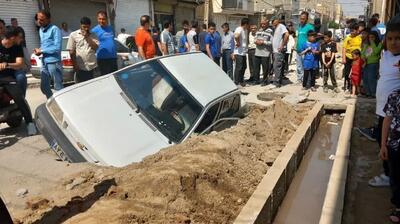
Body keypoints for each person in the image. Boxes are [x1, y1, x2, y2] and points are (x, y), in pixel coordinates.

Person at [369, 16, 400, 190]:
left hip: (394, 114)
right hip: (382, 110)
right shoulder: (385, 54)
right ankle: (389, 173)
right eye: (390, 39)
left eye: (398, 39)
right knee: (380, 139)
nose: (394, 42)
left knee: (390, 146)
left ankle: (390, 176)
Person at [0, 26, 36, 135]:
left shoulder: (17, 47)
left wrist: (7, 64)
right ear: (12, 37)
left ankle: (30, 123)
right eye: (19, 37)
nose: (21, 39)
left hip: (7, 77)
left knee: (19, 98)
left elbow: (19, 63)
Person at [34, 10, 63, 99]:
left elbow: (57, 47)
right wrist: (38, 51)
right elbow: (44, 45)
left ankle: (61, 106)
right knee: (44, 87)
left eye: (42, 20)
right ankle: (52, 102)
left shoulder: (55, 29)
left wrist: (42, 50)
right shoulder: (41, 30)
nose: (39, 21)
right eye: (38, 19)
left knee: (58, 87)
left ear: (49, 20)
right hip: (44, 62)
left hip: (54, 62)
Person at [66, 17, 99, 83]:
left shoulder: (94, 35)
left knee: (94, 87)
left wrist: (87, 37)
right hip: (80, 68)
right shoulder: (73, 35)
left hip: (93, 67)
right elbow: (71, 51)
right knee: (82, 87)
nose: (86, 29)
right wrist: (75, 65)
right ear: (80, 25)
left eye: (88, 27)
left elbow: (95, 47)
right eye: (84, 27)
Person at [91, 11, 117, 75]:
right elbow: (91, 45)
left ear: (106, 19)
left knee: (115, 79)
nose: (101, 21)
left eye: (103, 19)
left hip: (113, 58)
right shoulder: (94, 30)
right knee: (105, 79)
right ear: (97, 19)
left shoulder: (111, 28)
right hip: (102, 59)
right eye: (100, 19)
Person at [361, 30, 383, 98]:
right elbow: (363, 53)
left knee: (372, 79)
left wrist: (372, 43)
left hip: (373, 63)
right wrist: (363, 58)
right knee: (365, 78)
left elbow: (376, 52)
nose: (371, 39)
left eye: (372, 37)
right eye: (370, 37)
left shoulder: (379, 44)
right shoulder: (367, 45)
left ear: (376, 37)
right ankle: (367, 92)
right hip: (366, 63)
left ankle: (373, 93)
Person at [342, 23, 362, 93]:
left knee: (356, 73)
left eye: (353, 30)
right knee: (347, 73)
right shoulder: (347, 38)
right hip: (348, 57)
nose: (351, 32)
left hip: (357, 59)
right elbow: (344, 48)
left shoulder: (360, 38)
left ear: (357, 30)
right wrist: (344, 58)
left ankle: (355, 88)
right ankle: (348, 86)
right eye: (351, 30)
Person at [296, 11, 314, 83]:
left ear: (307, 19)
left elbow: (313, 38)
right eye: (301, 18)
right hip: (299, 49)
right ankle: (299, 79)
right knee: (299, 66)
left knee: (306, 66)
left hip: (306, 50)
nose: (301, 20)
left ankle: (307, 80)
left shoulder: (310, 27)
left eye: (303, 19)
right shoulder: (299, 26)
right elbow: (298, 37)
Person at [254, 19, 273, 86]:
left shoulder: (271, 31)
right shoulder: (259, 30)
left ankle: (264, 81)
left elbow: (271, 42)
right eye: (261, 23)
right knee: (256, 68)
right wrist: (256, 41)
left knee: (265, 68)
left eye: (264, 24)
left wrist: (263, 42)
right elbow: (255, 39)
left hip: (265, 53)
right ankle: (256, 80)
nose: (262, 25)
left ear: (267, 24)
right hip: (257, 52)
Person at [271, 18, 289, 87]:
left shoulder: (281, 26)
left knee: (277, 66)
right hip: (275, 51)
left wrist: (282, 45)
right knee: (277, 66)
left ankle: (276, 83)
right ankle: (278, 81)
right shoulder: (276, 28)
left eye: (274, 22)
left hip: (279, 51)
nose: (273, 24)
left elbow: (286, 35)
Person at [233, 18, 249, 86]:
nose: (248, 26)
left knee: (244, 66)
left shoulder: (245, 30)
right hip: (238, 52)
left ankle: (241, 80)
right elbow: (236, 36)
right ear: (245, 24)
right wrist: (238, 42)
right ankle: (236, 82)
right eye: (248, 24)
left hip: (243, 52)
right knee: (239, 67)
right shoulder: (239, 29)